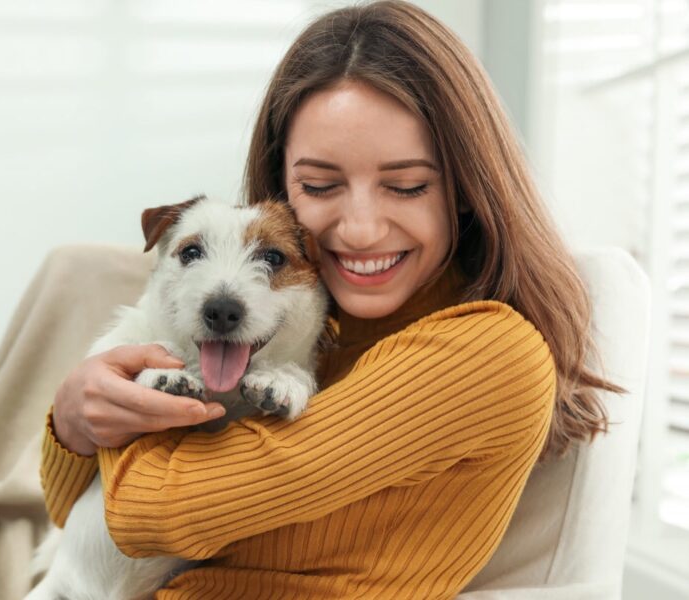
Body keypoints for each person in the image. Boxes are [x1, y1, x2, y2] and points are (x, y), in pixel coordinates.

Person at [41, 1, 620, 599]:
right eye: (320, 185)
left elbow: (148, 515)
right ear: (282, 183)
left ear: (468, 188)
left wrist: (101, 411)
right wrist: (73, 424)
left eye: (407, 185)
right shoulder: (311, 324)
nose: (362, 229)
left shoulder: (484, 351)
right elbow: (71, 519)